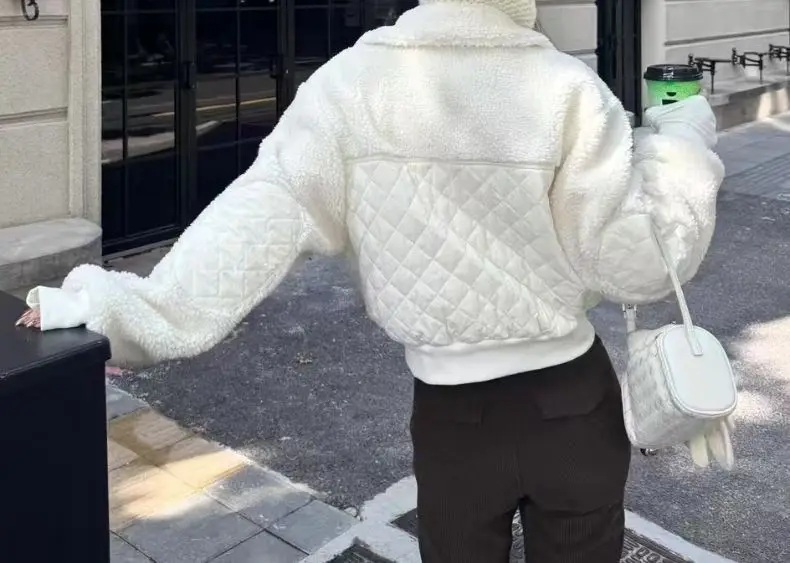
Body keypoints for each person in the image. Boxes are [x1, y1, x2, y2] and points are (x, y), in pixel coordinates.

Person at [17, 0, 724, 560]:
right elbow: (640, 261)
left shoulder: (351, 86)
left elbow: (255, 219)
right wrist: (684, 139)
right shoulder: (569, 87)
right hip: (572, 403)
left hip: (453, 420)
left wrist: (118, 309)